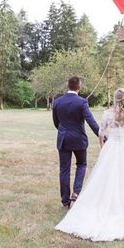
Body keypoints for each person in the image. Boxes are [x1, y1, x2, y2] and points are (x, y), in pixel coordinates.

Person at [55, 88, 124, 242]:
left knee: (105, 178)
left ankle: (103, 205)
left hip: (110, 147)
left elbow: (101, 133)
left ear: (114, 99)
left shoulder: (107, 114)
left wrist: (103, 146)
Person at [52, 76, 100, 209]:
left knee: (64, 170)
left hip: (63, 139)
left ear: (68, 86)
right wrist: (101, 135)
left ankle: (65, 202)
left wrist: (63, 131)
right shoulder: (82, 102)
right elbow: (91, 121)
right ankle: (76, 192)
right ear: (79, 87)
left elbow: (56, 122)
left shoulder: (57, 101)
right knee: (82, 164)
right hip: (79, 139)